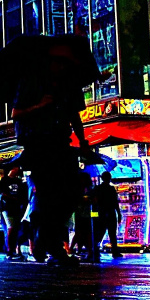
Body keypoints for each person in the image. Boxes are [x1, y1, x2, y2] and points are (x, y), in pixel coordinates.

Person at [11, 44, 92, 264]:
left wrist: (83, 141)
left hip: (62, 143)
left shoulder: (69, 86)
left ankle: (46, 238)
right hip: (38, 144)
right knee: (48, 194)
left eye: (65, 63)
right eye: (57, 62)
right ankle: (51, 245)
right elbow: (16, 113)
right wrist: (39, 105)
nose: (61, 66)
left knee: (72, 189)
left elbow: (75, 116)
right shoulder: (31, 83)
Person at [0, 168, 28, 258]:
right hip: (7, 207)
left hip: (16, 207)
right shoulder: (5, 180)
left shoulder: (18, 181)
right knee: (11, 228)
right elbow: (2, 194)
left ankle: (15, 249)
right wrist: (14, 199)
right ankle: (9, 250)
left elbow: (23, 193)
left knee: (15, 229)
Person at [91, 171, 122, 259]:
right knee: (112, 233)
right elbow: (115, 202)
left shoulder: (97, 188)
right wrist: (119, 213)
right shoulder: (111, 189)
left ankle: (95, 250)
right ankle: (115, 251)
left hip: (101, 212)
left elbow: (94, 202)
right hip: (110, 212)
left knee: (100, 233)